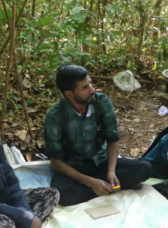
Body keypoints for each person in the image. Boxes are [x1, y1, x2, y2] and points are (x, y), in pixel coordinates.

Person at [44, 64, 152, 206]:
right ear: (69, 94)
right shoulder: (55, 116)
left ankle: (105, 184)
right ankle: (107, 186)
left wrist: (111, 171)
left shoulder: (102, 102)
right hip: (74, 167)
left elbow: (112, 139)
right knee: (63, 194)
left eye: (90, 84)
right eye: (85, 88)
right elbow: (56, 162)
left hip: (100, 161)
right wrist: (90, 182)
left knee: (145, 168)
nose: (92, 90)